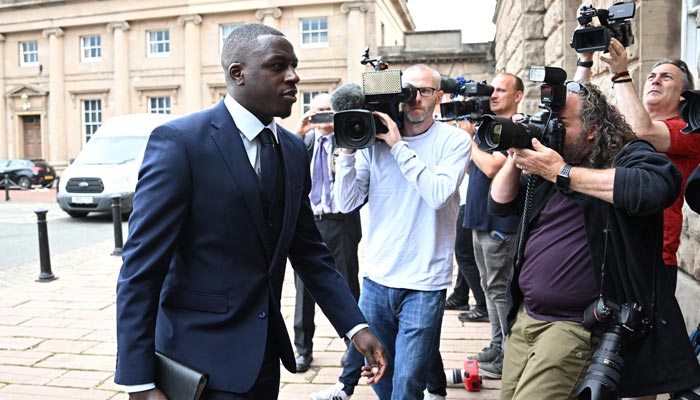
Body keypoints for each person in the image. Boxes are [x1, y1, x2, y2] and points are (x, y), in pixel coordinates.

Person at [114, 23, 387, 400]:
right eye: (279, 66)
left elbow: (309, 252)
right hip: (196, 364)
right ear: (237, 74)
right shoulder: (181, 143)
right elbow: (141, 268)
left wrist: (354, 326)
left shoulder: (293, 150)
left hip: (263, 362)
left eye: (294, 65)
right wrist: (139, 381)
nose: (294, 76)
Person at [490, 80, 700, 399]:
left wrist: (562, 173)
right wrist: (518, 151)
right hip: (525, 319)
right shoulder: (550, 163)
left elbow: (658, 186)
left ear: (591, 130)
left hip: (574, 327)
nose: (552, 130)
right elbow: (499, 204)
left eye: (561, 123)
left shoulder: (623, 154)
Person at [313, 64, 471, 400]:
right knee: (380, 376)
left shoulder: (454, 140)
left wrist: (399, 146)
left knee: (408, 382)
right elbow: (346, 202)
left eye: (425, 91)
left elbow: (438, 194)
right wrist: (348, 151)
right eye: (408, 90)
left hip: (424, 283)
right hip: (377, 280)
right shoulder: (375, 142)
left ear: (439, 97)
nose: (415, 98)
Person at [575, 39, 700, 294]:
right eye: (652, 76)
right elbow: (577, 108)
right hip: (607, 240)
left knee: (646, 330)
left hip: (651, 250)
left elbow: (642, 131)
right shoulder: (624, 116)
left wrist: (621, 73)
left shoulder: (688, 130)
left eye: (667, 78)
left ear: (682, 96)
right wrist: (584, 58)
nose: (655, 80)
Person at [290, 93, 363, 372]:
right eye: (318, 111)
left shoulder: (349, 140)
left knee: (346, 284)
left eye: (328, 111)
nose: (323, 116)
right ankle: (303, 349)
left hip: (341, 222)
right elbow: (280, 162)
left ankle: (353, 345)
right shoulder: (303, 142)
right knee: (303, 289)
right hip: (309, 223)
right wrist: (299, 131)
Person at [458, 72, 523, 379]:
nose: (494, 94)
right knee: (488, 287)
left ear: (518, 95)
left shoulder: (516, 126)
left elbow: (493, 166)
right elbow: (474, 168)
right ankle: (496, 346)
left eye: (501, 90)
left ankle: (506, 354)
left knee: (500, 291)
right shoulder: (487, 128)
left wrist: (467, 139)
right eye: (491, 90)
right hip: (480, 218)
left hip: (501, 222)